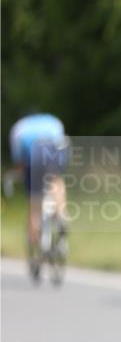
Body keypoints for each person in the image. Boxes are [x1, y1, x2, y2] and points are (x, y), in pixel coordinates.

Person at [8, 112, 69, 267]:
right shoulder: (53, 120)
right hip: (55, 151)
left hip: (33, 156)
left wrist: (22, 174)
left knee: (35, 202)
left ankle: (35, 236)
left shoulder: (18, 128)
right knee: (56, 179)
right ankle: (61, 215)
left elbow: (20, 161)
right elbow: (62, 140)